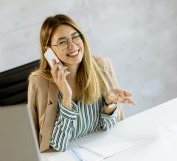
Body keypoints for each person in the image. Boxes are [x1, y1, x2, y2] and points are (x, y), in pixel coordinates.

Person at [28, 14, 135, 152]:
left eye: (75, 37)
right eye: (62, 42)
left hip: (102, 153)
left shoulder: (102, 66)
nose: (72, 46)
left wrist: (109, 104)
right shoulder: (40, 83)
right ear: (48, 50)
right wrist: (66, 97)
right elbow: (57, 146)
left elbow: (108, 128)